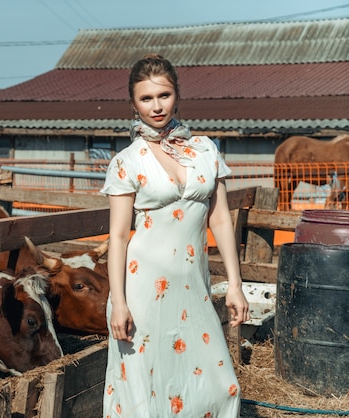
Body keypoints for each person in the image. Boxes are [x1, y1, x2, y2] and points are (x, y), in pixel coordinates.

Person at [101, 54, 250, 417]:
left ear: (177, 95)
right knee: (144, 391)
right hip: (142, 291)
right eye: (146, 98)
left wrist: (235, 284)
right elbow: (118, 237)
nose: (156, 106)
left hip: (193, 286)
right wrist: (118, 301)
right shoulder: (127, 161)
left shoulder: (205, 151)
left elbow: (218, 221)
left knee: (220, 386)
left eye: (164, 95)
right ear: (133, 104)